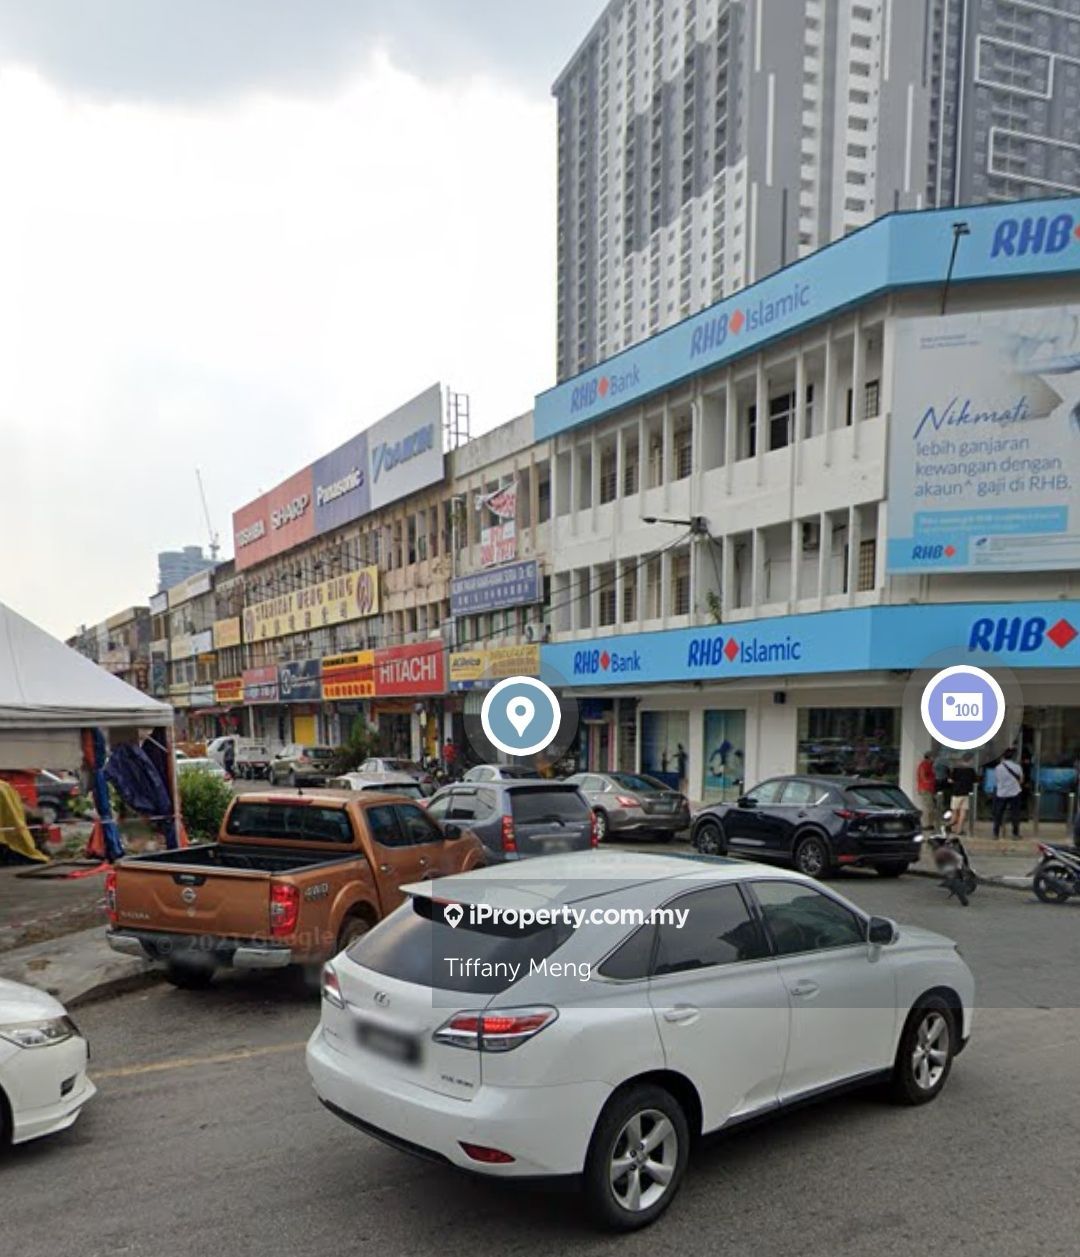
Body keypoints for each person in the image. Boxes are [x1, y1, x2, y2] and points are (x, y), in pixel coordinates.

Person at [992, 747, 1024, 839]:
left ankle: (996, 833)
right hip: (1015, 792)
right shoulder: (1017, 767)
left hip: (1001, 793)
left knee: (998, 814)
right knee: (1015, 814)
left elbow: (997, 780)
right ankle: (1015, 833)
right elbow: (1021, 780)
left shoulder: (998, 768)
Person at [948, 752, 977, 833]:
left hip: (956, 792)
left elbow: (950, 780)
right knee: (963, 812)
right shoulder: (971, 770)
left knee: (954, 812)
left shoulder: (956, 768)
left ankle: (952, 828)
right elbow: (975, 780)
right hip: (966, 793)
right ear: (970, 760)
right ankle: (959, 830)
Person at [916, 750, 938, 829]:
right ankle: (926, 824)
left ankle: (930, 823)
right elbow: (923, 776)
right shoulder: (924, 765)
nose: (934, 759)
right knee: (928, 807)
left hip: (930, 788)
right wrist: (929, 782)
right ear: (929, 757)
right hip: (926, 788)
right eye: (933, 757)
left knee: (930, 806)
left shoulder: (930, 765)